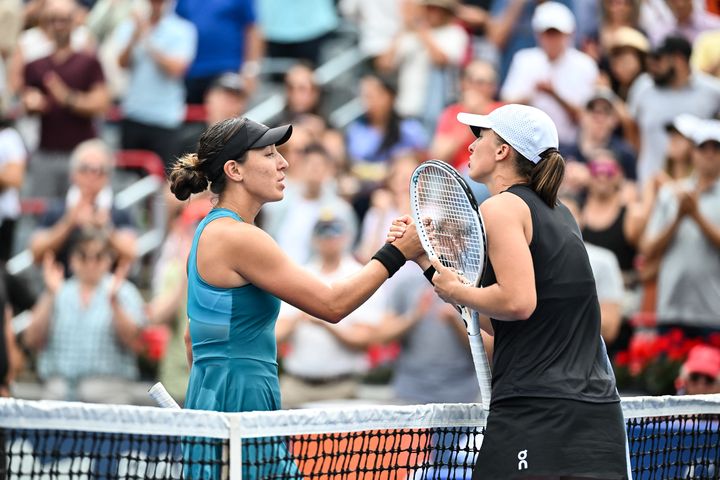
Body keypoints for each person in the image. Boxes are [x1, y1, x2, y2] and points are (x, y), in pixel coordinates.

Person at [390, 104, 628, 478]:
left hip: (537, 410)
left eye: (480, 136)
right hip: (591, 413)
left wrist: (458, 288)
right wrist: (427, 264)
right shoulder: (561, 213)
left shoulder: (501, 208)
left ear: (503, 151)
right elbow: (499, 321)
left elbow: (518, 303)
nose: (471, 146)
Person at [168, 116, 423, 416]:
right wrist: (396, 252)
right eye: (269, 154)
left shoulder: (208, 233)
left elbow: (191, 338)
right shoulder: (240, 237)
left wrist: (209, 393)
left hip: (211, 401)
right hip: (244, 404)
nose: (284, 163)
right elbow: (332, 304)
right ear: (234, 170)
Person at [275, 214, 385, 408]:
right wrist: (298, 318)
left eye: (334, 232)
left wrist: (324, 320)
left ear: (347, 236)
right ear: (313, 238)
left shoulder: (360, 275)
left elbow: (365, 339)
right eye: (322, 232)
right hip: (296, 384)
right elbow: (276, 335)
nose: (328, 239)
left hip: (341, 387)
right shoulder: (300, 274)